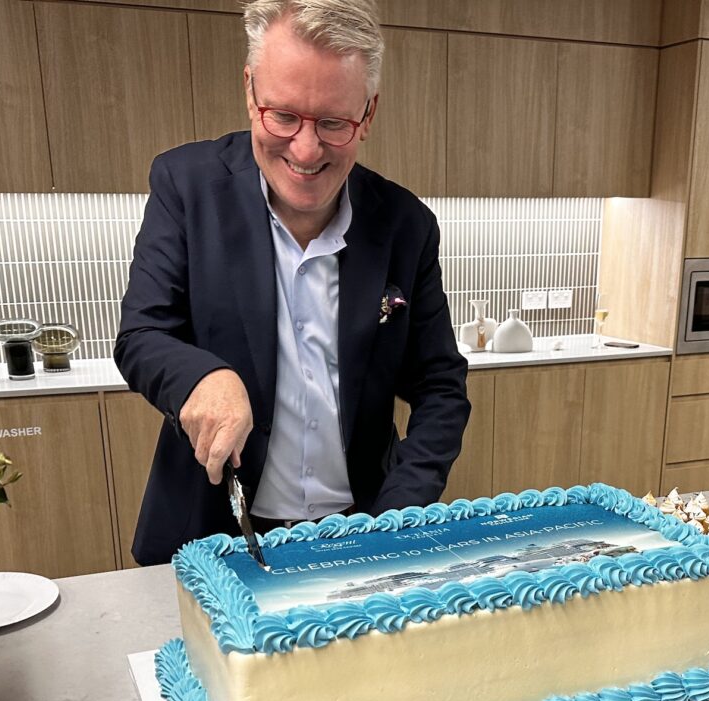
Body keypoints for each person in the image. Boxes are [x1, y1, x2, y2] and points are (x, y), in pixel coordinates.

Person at [114, 0, 470, 566]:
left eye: (333, 123)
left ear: (369, 112)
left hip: (362, 534)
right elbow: (141, 335)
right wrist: (202, 376)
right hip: (214, 531)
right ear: (250, 90)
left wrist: (399, 515)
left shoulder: (406, 226)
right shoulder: (186, 186)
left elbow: (441, 386)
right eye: (282, 116)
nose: (306, 150)